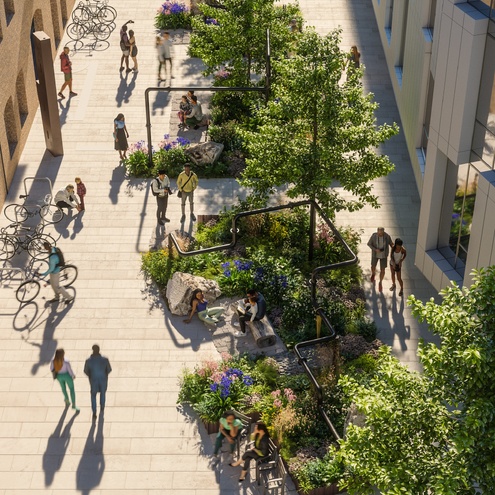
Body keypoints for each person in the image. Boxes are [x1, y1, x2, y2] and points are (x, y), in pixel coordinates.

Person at [84, 344, 112, 420]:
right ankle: (102, 407)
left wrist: (91, 376)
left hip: (93, 381)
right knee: (103, 394)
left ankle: (94, 412)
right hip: (103, 380)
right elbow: (109, 370)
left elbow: (86, 371)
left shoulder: (88, 361)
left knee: (93, 396)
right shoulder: (105, 360)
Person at [367, 227, 394, 292]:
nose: (379, 234)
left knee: (383, 269)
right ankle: (373, 274)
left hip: (384, 255)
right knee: (373, 266)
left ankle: (380, 282)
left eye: (381, 233)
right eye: (378, 233)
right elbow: (369, 244)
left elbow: (391, 243)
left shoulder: (387, 236)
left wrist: (394, 247)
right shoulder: (374, 236)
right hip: (375, 254)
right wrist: (375, 249)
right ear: (377, 231)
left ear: (383, 232)